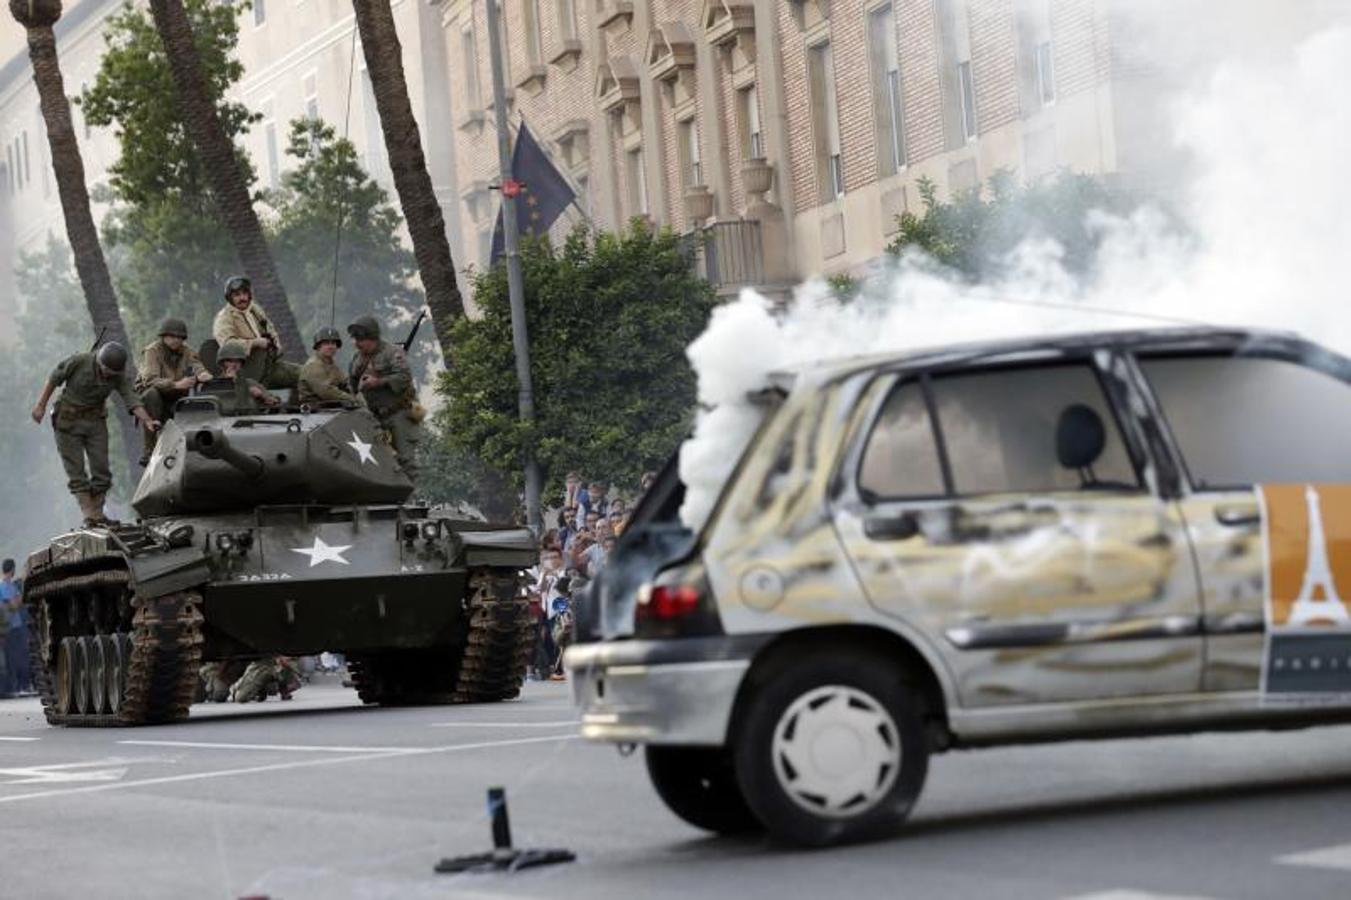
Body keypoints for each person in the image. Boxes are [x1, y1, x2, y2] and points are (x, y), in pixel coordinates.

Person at [30, 342, 161, 526]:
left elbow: (130, 398)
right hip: (67, 422)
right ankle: (89, 515)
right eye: (106, 370)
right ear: (99, 362)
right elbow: (54, 378)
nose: (108, 375)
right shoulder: (80, 361)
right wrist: (40, 405)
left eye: (113, 373)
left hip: (95, 423)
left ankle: (98, 514)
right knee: (76, 472)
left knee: (102, 471)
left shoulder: (117, 375)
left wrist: (147, 420)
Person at [347, 316, 422, 481]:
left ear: (372, 337)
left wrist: (378, 382)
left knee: (406, 460)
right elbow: (351, 386)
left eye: (361, 339)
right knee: (381, 460)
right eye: (355, 339)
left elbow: (404, 377)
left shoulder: (392, 353)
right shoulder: (356, 359)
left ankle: (413, 501)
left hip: (398, 414)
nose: (357, 343)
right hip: (375, 418)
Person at [135, 317, 211, 465]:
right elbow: (150, 380)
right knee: (151, 394)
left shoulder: (187, 351)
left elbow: (196, 364)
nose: (176, 340)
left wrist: (203, 374)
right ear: (163, 336)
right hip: (154, 399)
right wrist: (176, 385)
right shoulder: (152, 351)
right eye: (171, 336)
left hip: (175, 399)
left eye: (179, 337)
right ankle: (149, 451)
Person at [212, 275, 299, 390]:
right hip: (247, 372)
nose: (242, 298)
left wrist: (276, 346)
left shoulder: (255, 310)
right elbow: (228, 346)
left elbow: (270, 330)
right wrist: (254, 343)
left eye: (244, 293)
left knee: (305, 375)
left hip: (268, 365)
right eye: (237, 295)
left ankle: (303, 406)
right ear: (230, 298)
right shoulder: (224, 318)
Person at [298, 326, 362, 406]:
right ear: (318, 346)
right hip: (315, 409)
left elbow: (344, 384)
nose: (331, 347)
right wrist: (351, 399)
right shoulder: (313, 365)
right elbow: (326, 391)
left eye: (333, 343)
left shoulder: (332, 365)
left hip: (330, 407)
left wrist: (354, 396)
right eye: (326, 343)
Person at [216, 342, 281, 411]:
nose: (234, 365)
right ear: (222, 364)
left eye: (238, 361)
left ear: (241, 364)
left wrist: (261, 396)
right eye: (229, 361)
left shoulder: (249, 383)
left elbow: (275, 402)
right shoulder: (214, 384)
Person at [1, 560, 29, 697]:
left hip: (16, 626)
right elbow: (14, 605)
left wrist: (18, 599)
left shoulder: (11, 585)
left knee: (20, 656)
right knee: (13, 658)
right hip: (10, 628)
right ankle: (16, 686)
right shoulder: (4, 586)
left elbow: (18, 600)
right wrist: (18, 600)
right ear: (12, 569)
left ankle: (21, 685)